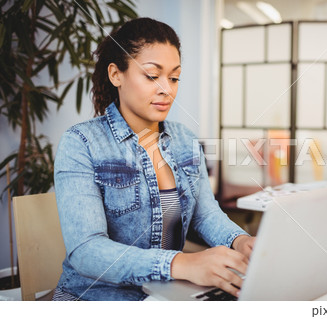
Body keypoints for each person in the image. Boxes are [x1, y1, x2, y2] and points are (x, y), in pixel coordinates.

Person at [52, 17, 255, 301]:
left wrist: (240, 240)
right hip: (97, 298)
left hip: (168, 293)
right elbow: (85, 251)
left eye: (173, 78)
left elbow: (206, 215)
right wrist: (179, 263)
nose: (167, 89)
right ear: (116, 75)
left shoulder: (184, 140)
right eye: (151, 76)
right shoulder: (81, 143)